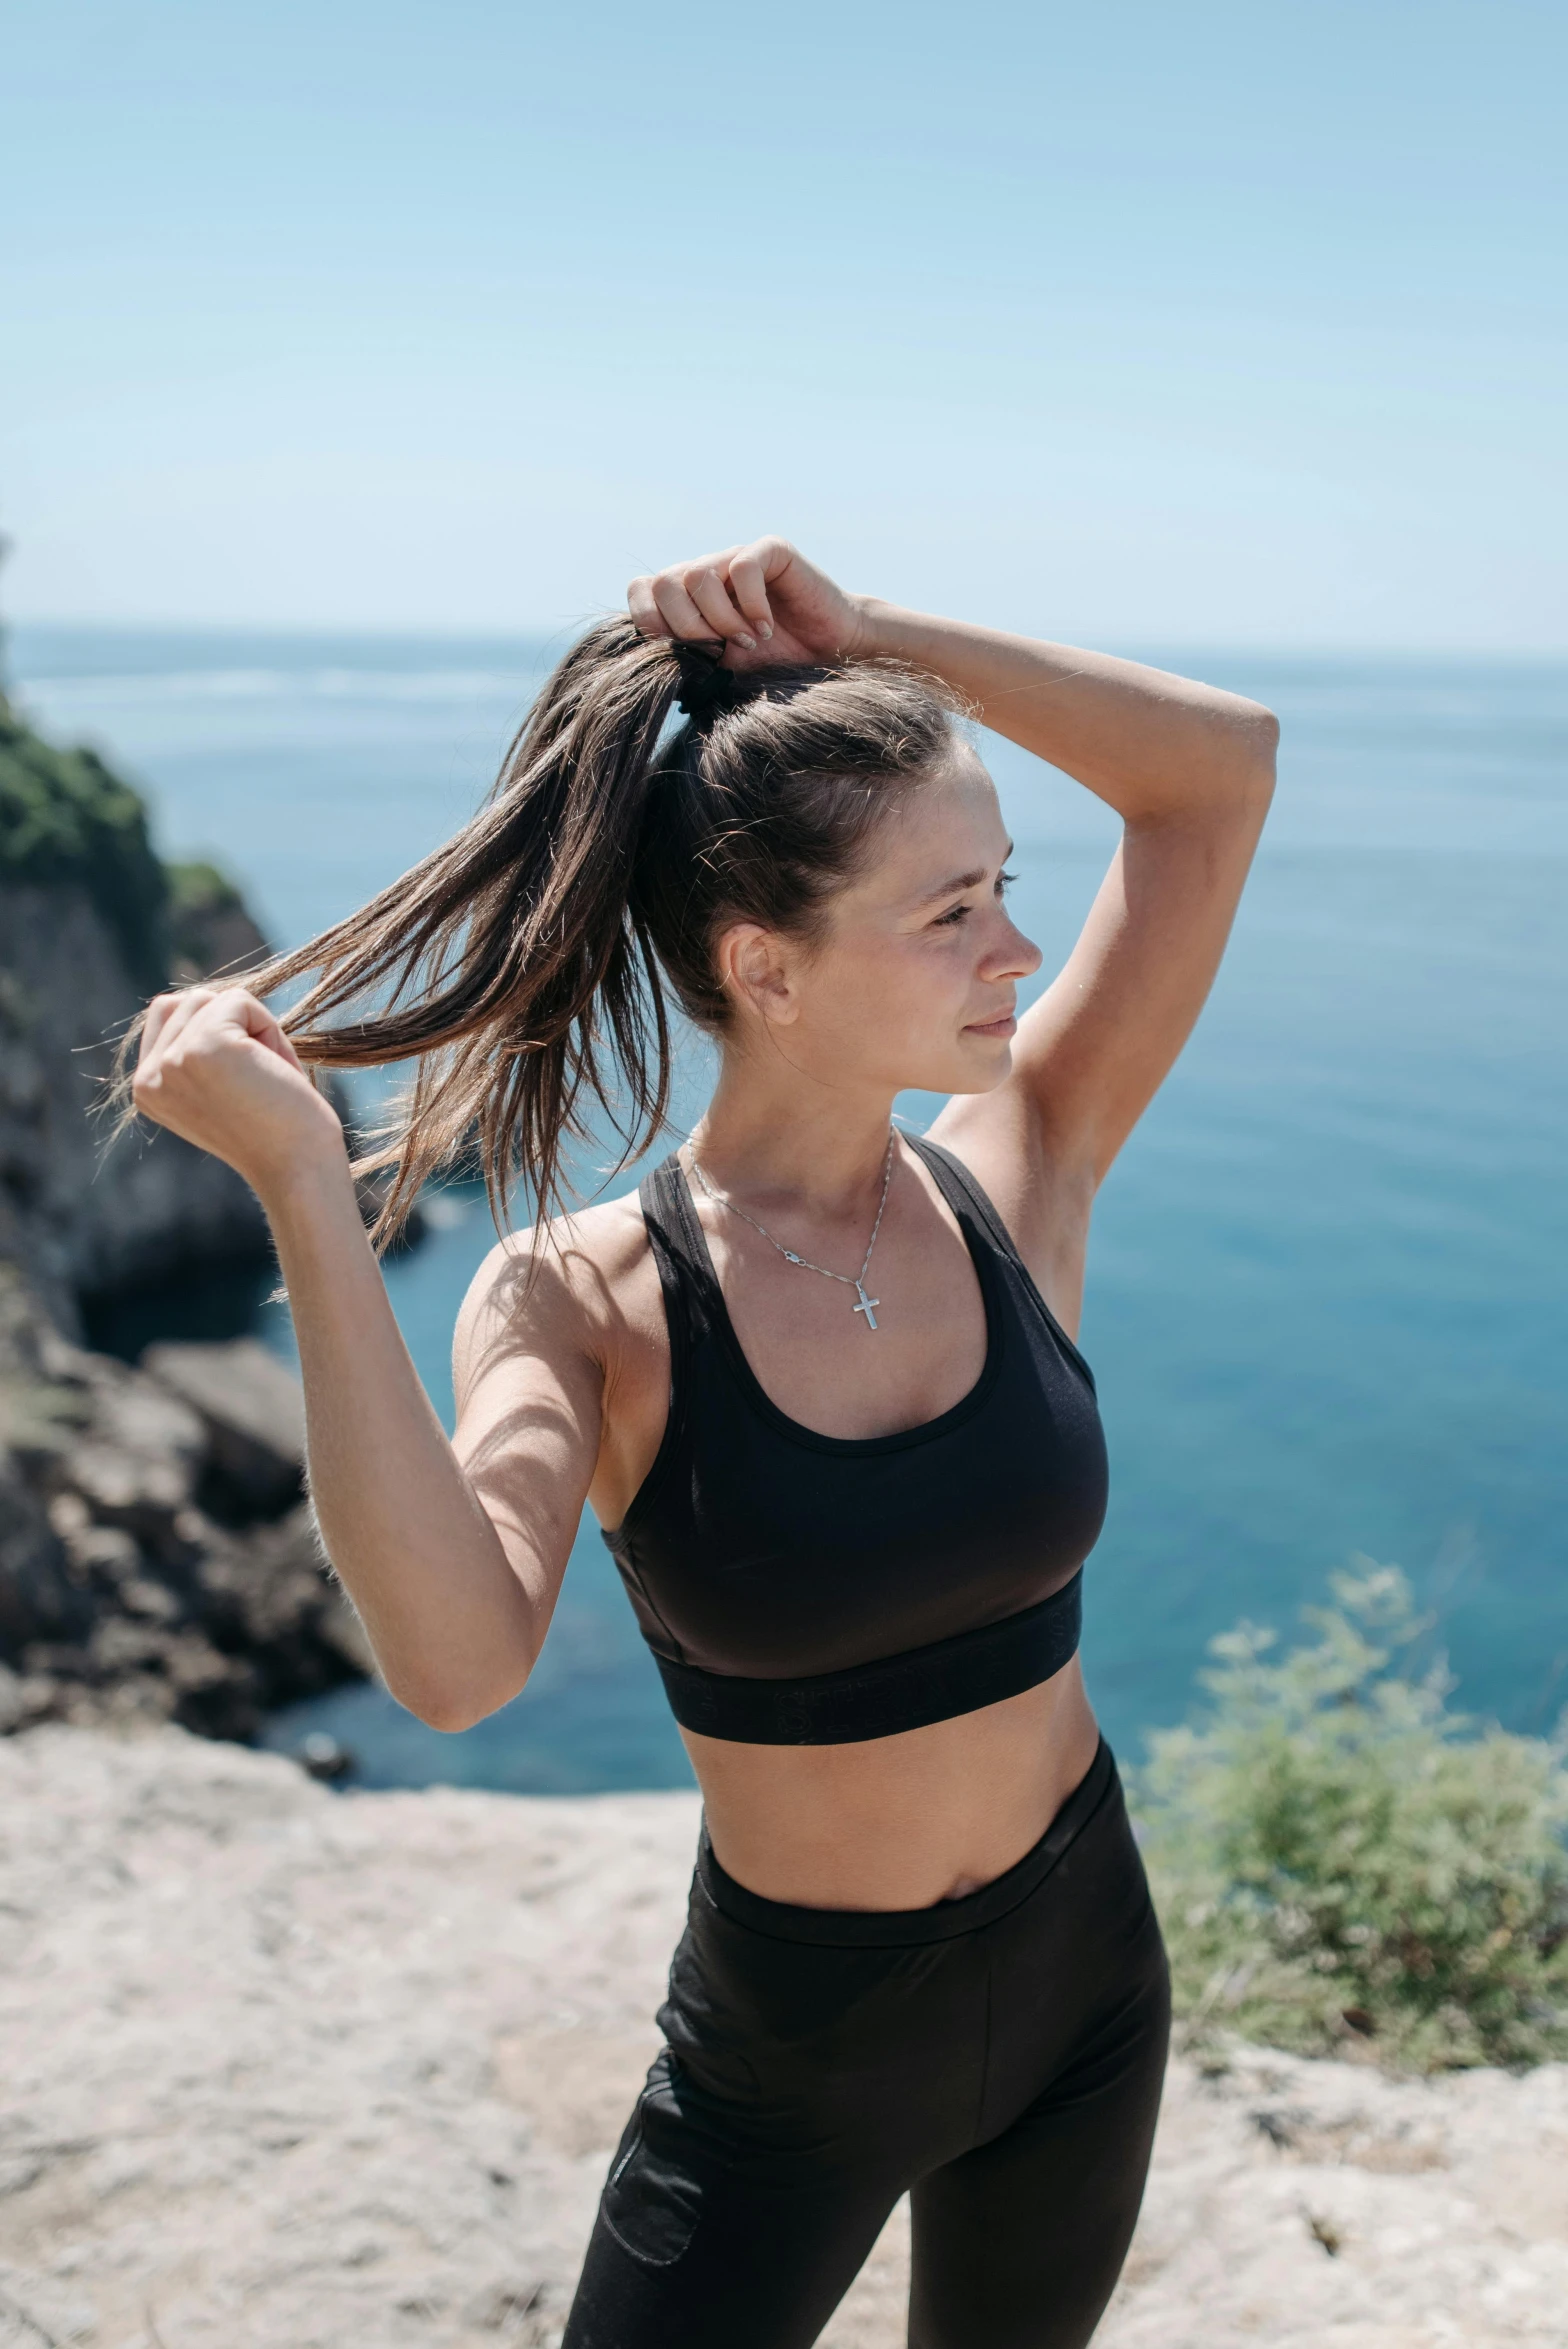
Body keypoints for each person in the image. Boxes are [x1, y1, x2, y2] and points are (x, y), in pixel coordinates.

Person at [127, 537, 1277, 2348]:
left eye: (1005, 885)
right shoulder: (583, 1301)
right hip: (786, 2069)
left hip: (1084, 1989)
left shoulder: (1020, 1168)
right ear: (769, 964)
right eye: (950, 911)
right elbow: (450, 1665)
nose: (1021, 951)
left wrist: (868, 634)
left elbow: (1218, 776)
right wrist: (302, 1186)